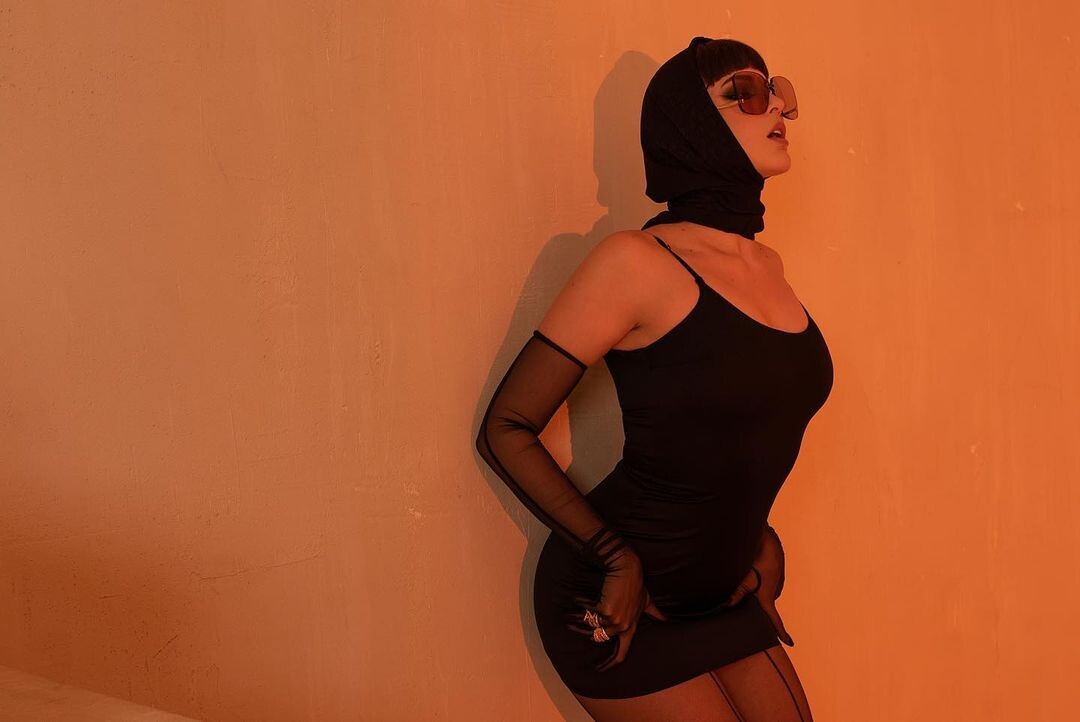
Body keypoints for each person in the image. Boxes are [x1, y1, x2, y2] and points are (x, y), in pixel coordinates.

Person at [475, 35, 833, 721]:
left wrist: (757, 535)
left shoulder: (767, 267)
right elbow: (507, 427)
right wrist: (615, 557)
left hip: (721, 591)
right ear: (690, 123)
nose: (777, 107)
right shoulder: (635, 261)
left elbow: (739, 429)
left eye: (779, 91)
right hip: (616, 602)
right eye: (747, 91)